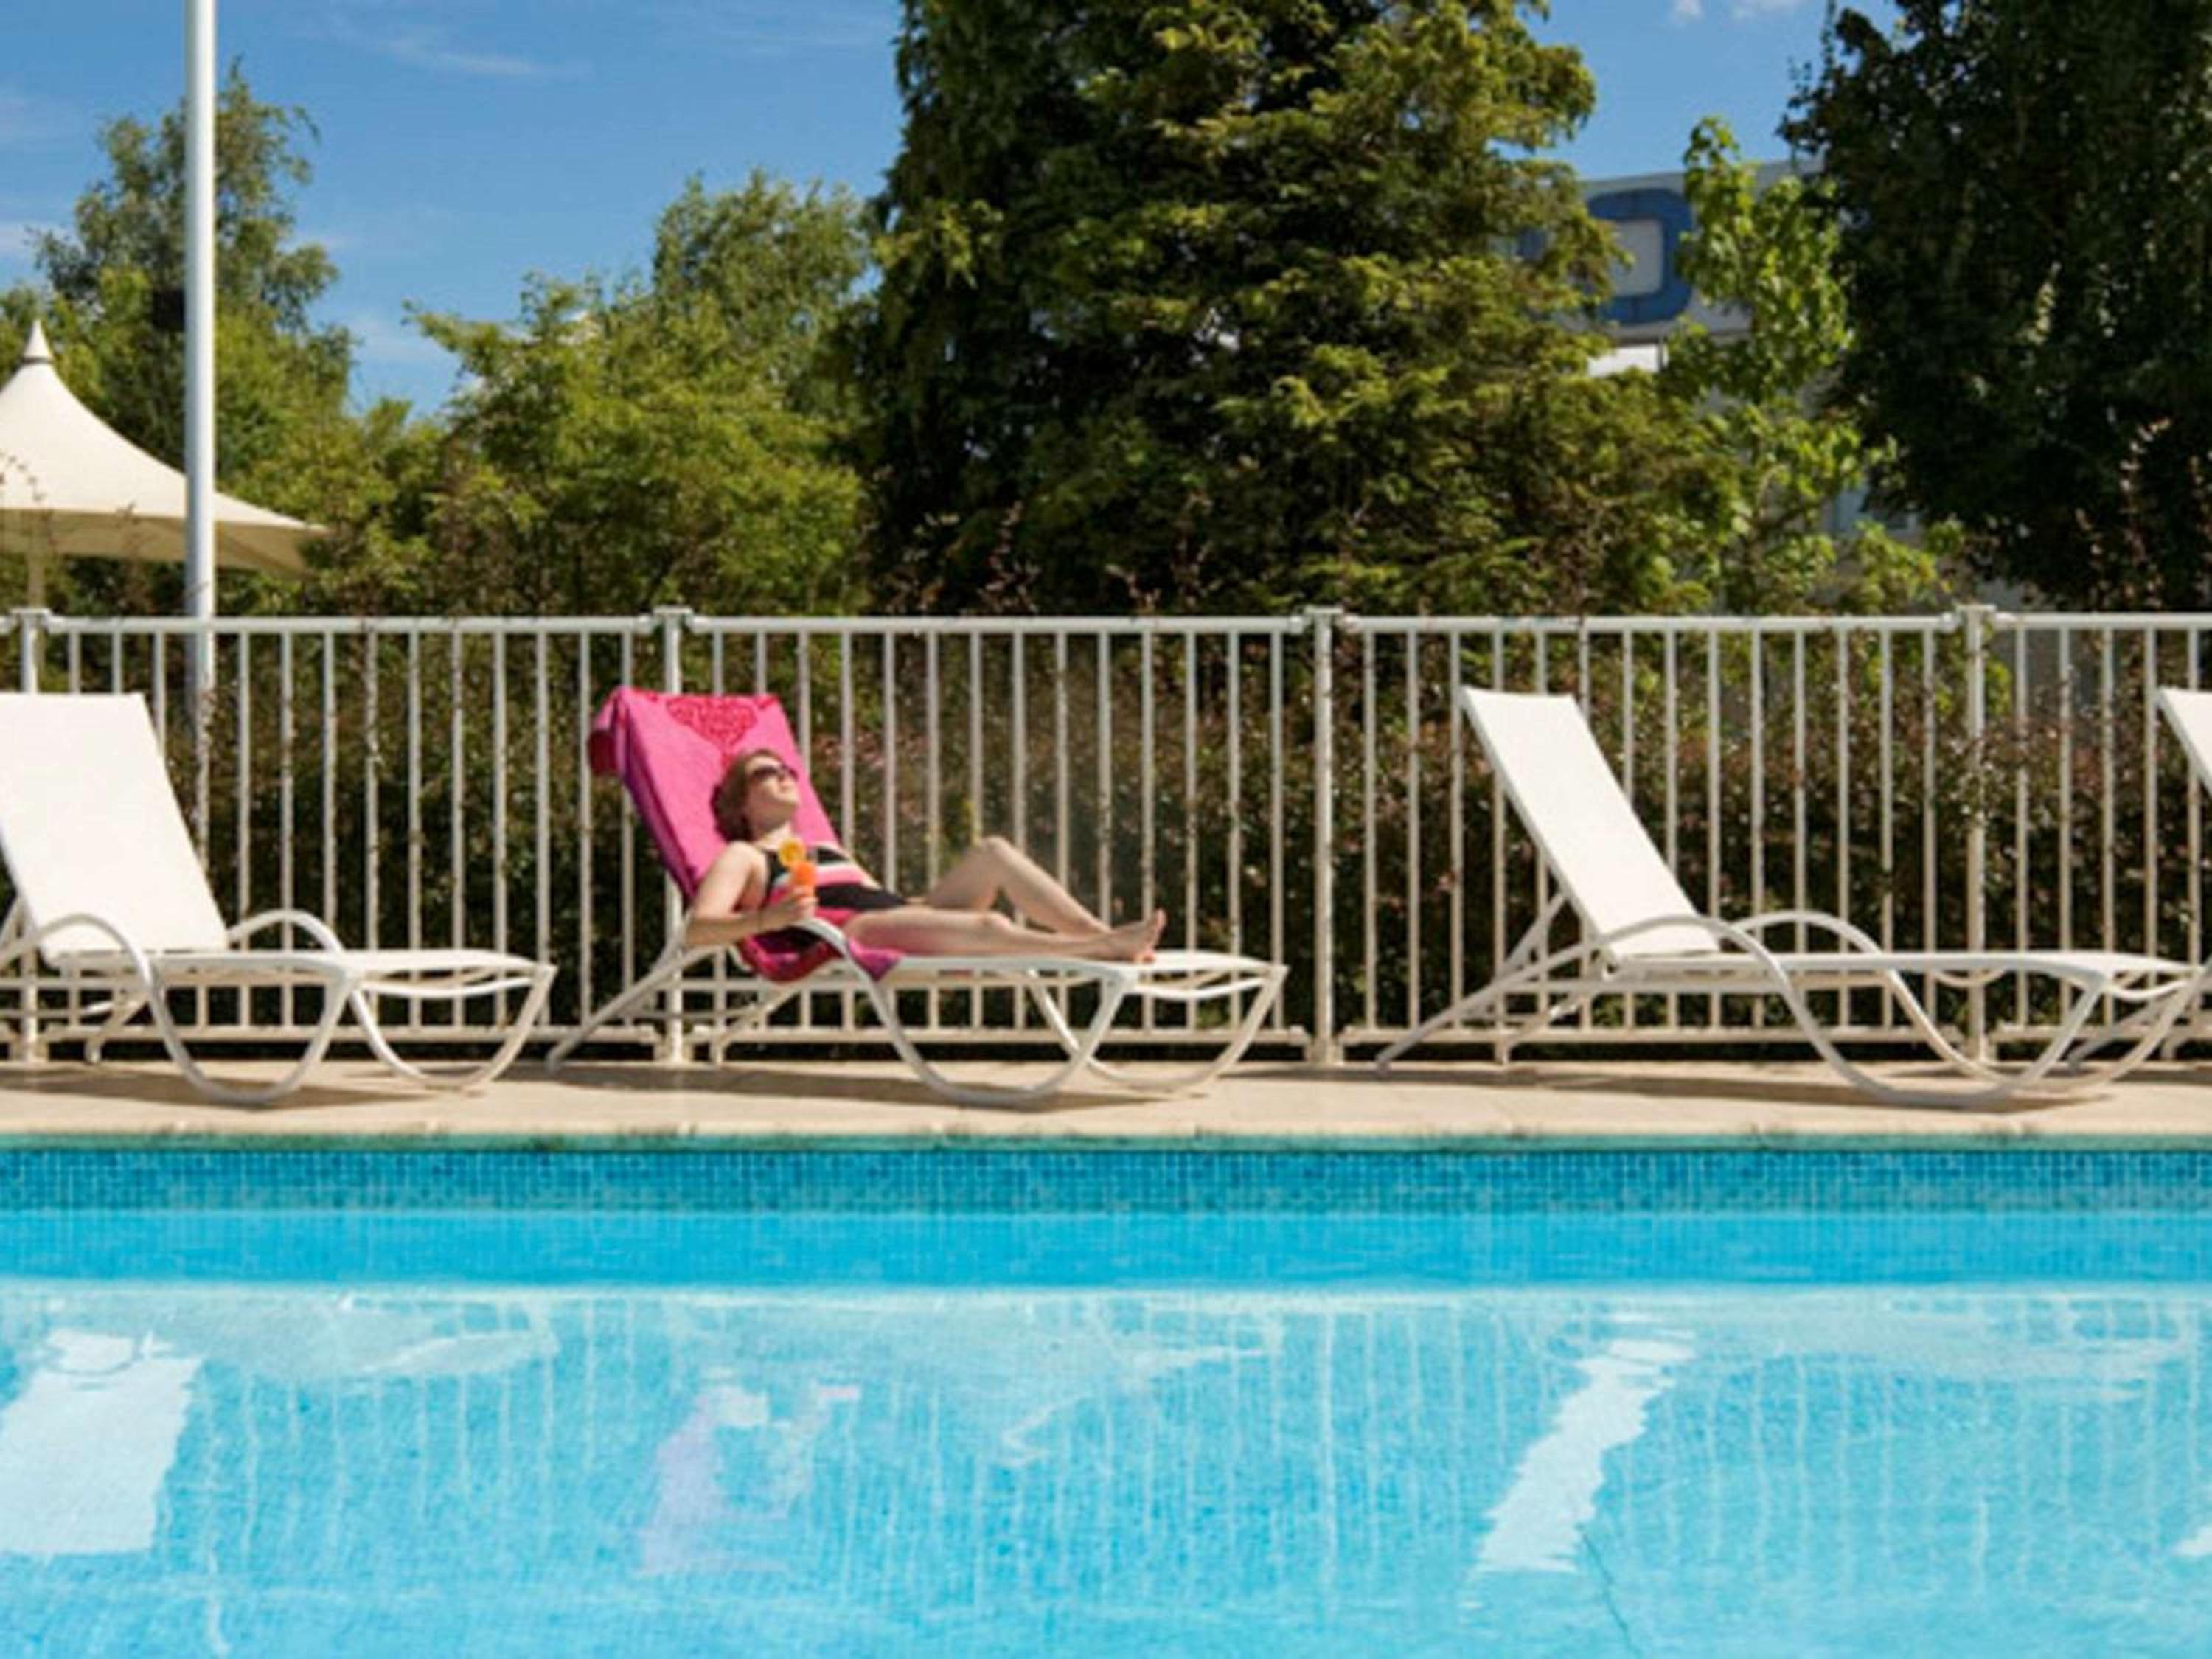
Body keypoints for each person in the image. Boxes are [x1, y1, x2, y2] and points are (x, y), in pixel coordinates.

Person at [686, 748, 1166, 961]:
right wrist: (769, 921)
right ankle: (1100, 951)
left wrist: (926, 910)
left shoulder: (824, 848)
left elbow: (875, 893)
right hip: (852, 934)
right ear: (740, 802)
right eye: (765, 773)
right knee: (989, 925)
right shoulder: (744, 856)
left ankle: (1099, 934)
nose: (783, 775)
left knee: (993, 852)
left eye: (787, 769)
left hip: (895, 913)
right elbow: (698, 929)